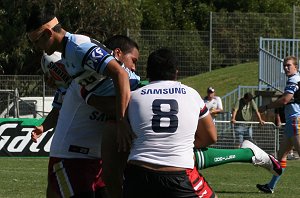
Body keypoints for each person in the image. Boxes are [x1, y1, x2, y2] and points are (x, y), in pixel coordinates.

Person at [26, 2, 133, 151]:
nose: (37, 47)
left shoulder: (78, 48)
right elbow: (62, 103)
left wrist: (121, 121)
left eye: (37, 41)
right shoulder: (67, 54)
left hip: (132, 107)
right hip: (121, 112)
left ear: (49, 33)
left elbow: (120, 73)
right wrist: (44, 126)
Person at [123, 47, 219, 197]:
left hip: (138, 173)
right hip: (178, 173)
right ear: (176, 72)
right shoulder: (191, 94)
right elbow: (211, 137)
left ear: (147, 73)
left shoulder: (132, 96)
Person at [256, 55, 300, 193]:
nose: (286, 68)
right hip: (291, 123)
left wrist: (266, 107)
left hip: (295, 121)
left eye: (289, 65)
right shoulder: (294, 79)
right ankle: (270, 186)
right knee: (281, 157)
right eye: (284, 66)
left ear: (296, 67)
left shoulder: (294, 79)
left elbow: (285, 100)